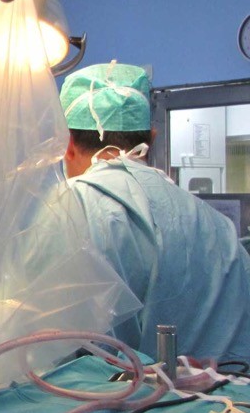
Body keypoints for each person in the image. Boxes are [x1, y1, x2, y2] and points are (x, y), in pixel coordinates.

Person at [60, 62, 250, 360]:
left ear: (67, 144)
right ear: (152, 137)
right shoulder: (218, 227)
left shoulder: (63, 211)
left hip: (92, 390)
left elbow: (36, 347)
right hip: (218, 390)